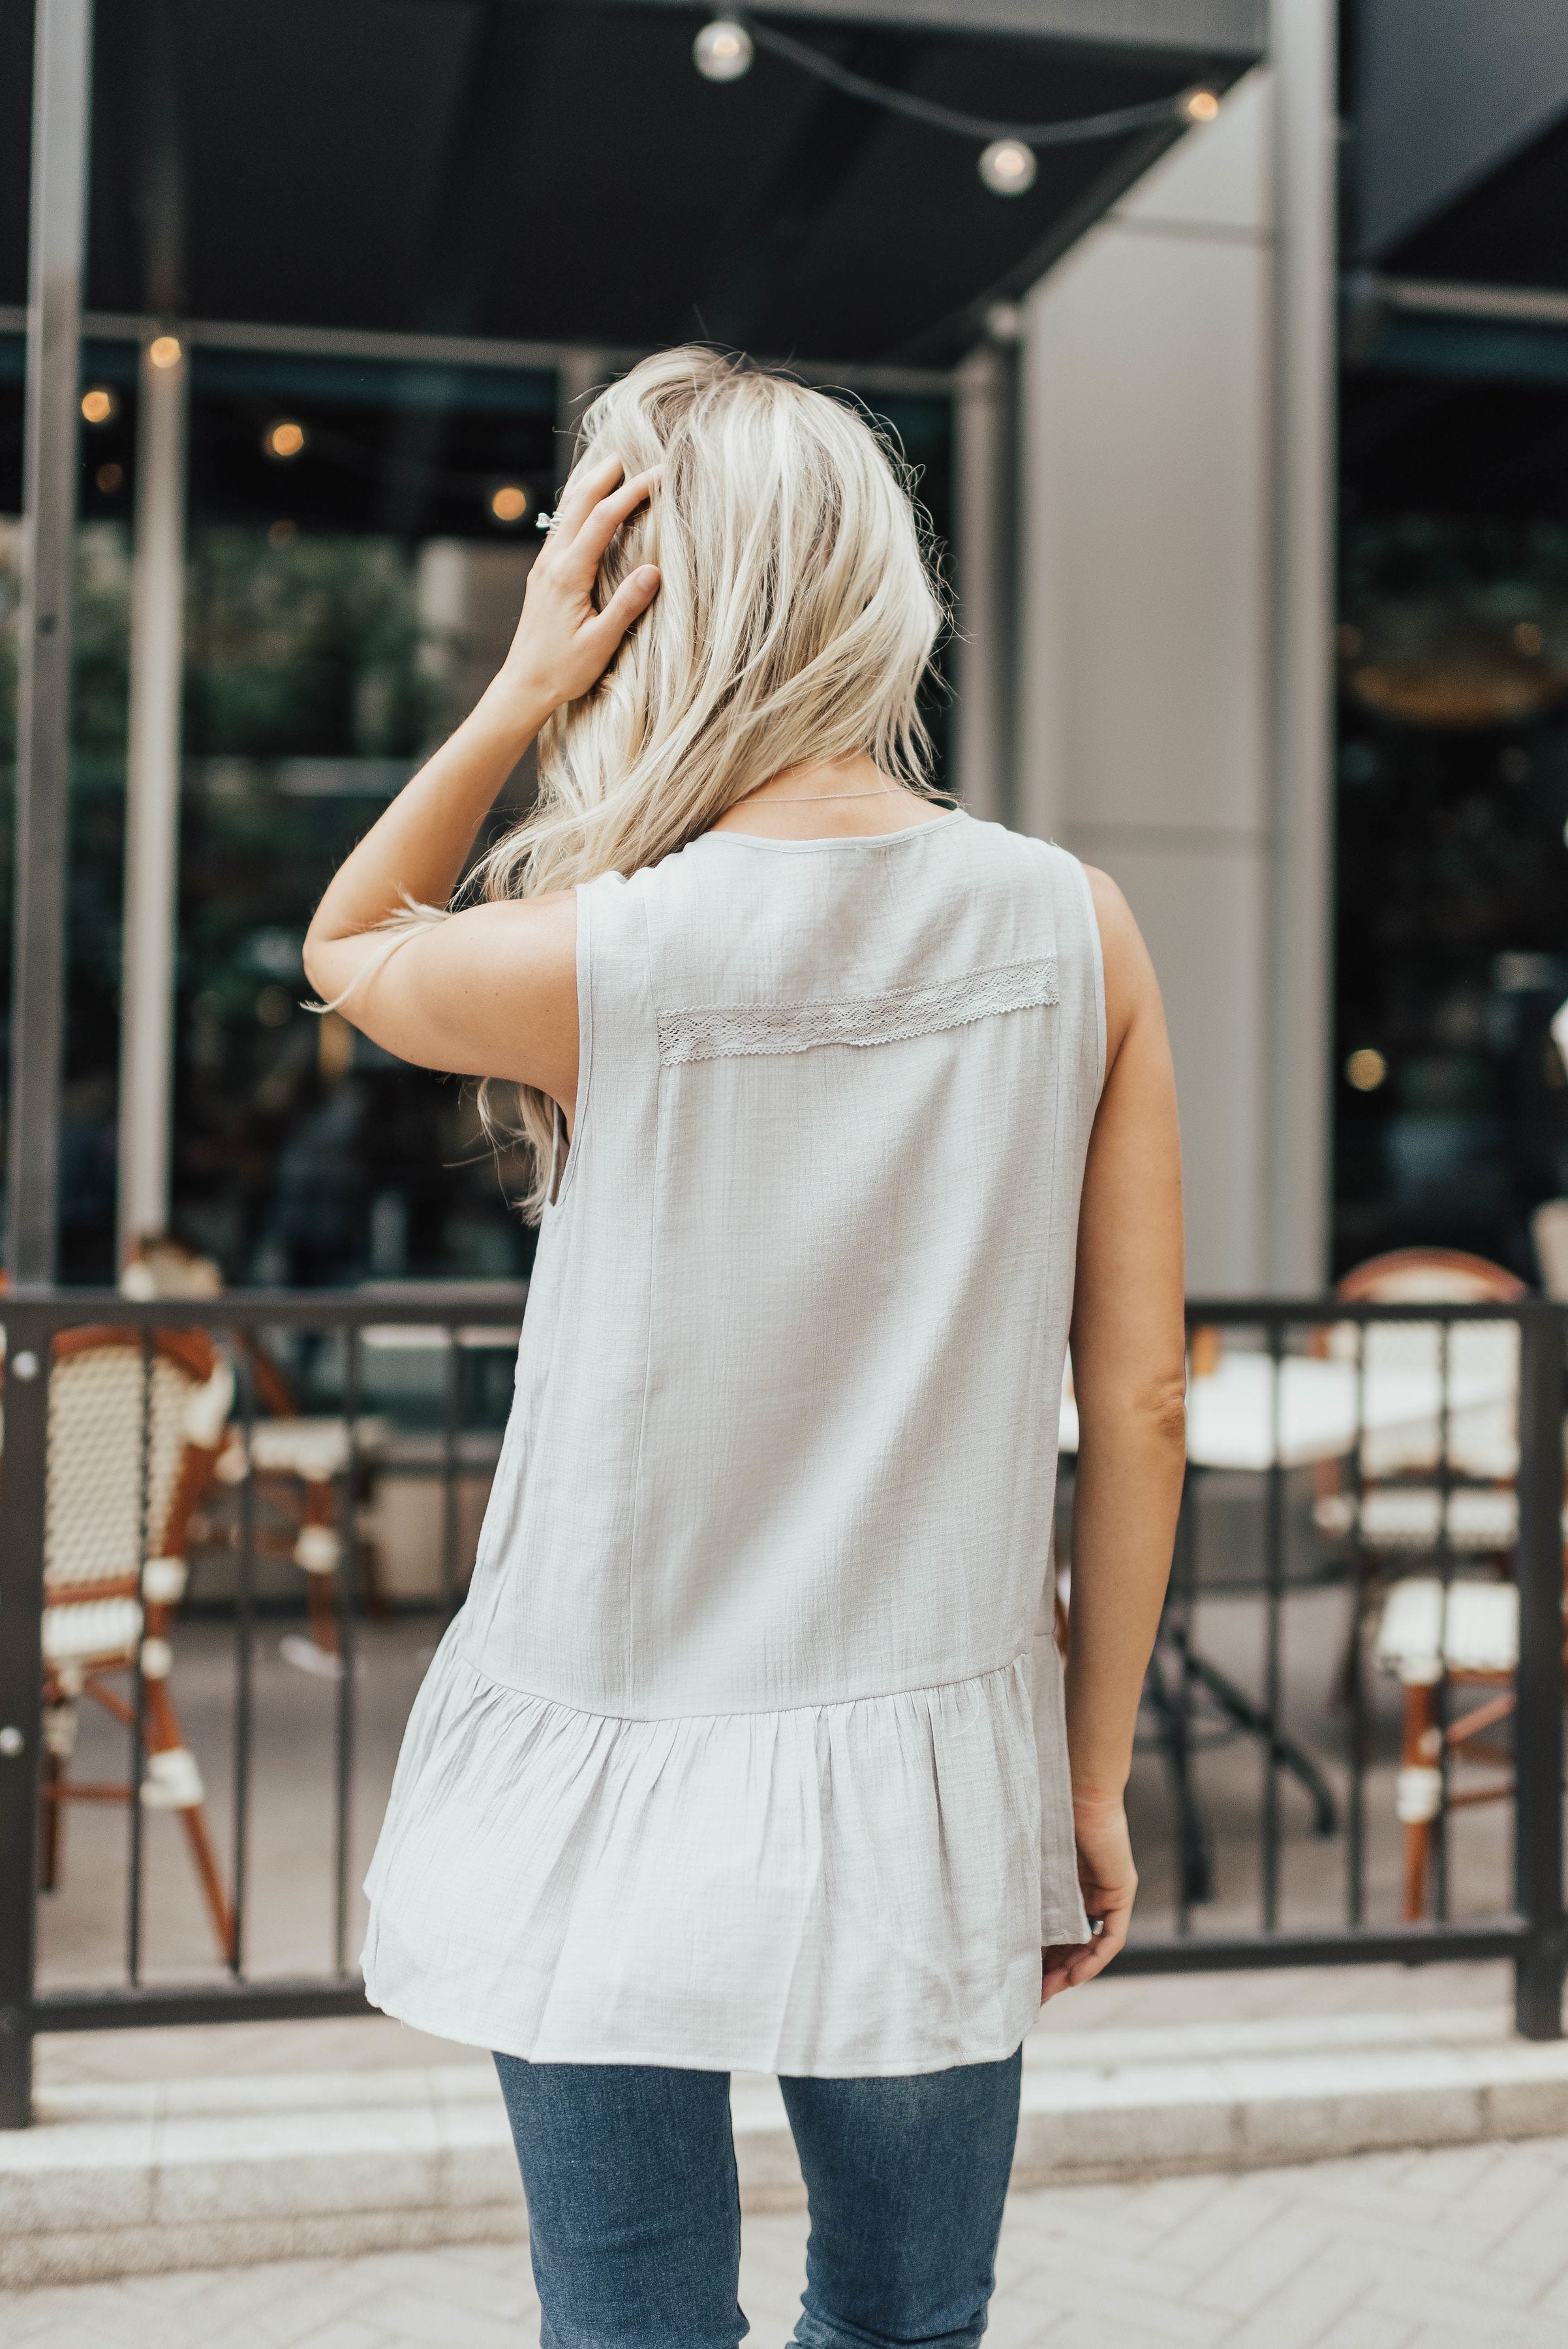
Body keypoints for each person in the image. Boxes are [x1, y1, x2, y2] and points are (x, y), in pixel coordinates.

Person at [303, 348, 1186, 2349]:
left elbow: (347, 946)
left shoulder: (610, 950)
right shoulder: (1072, 927)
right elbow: (1136, 1397)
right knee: (902, 2320)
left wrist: (522, 685)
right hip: (927, 1756)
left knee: (626, 2328)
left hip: (603, 1732)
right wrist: (1093, 1778)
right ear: (873, 585)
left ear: (642, 600)